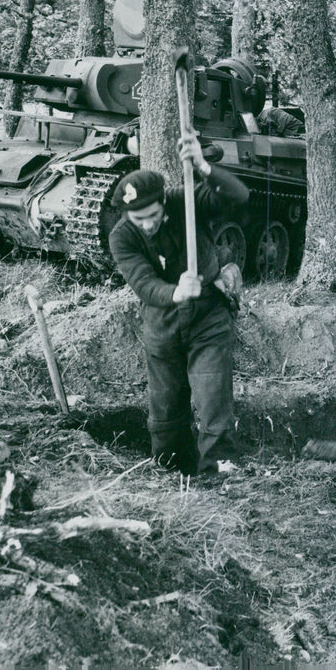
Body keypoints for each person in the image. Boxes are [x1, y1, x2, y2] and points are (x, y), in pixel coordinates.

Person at [109, 134, 249, 476]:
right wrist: (174, 292)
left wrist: (203, 166)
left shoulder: (184, 202)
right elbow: (143, 283)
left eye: (152, 215)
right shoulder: (122, 236)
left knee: (213, 400)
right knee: (165, 409)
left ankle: (218, 471)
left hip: (207, 318)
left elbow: (238, 196)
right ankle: (169, 471)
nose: (147, 224)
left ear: (162, 202)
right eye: (138, 218)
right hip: (163, 325)